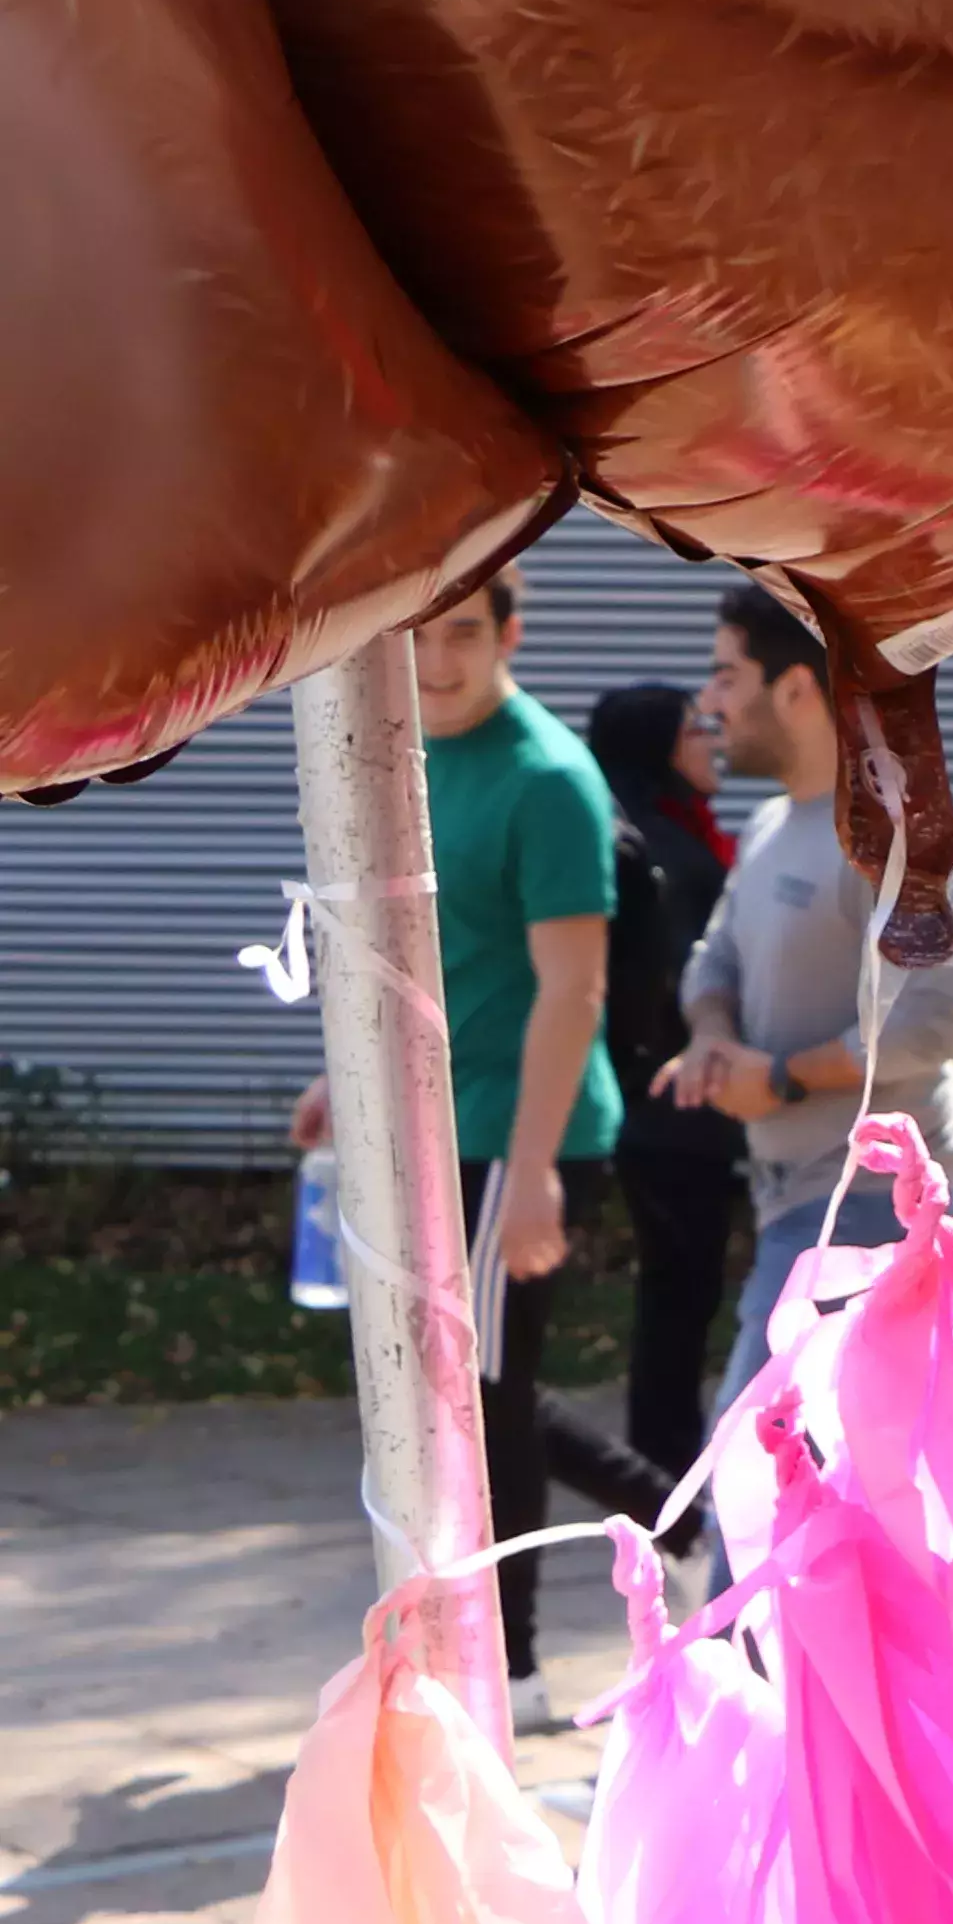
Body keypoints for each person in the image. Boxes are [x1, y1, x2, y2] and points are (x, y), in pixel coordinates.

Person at [292, 564, 625, 1725]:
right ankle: (672, 1527)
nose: (437, 665)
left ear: (511, 633)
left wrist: (534, 1171)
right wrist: (347, 1081)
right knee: (477, 1394)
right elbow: (428, 960)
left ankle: (516, 1664)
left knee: (478, 1398)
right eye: (421, 640)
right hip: (437, 1126)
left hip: (517, 1129)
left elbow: (571, 992)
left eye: (465, 637)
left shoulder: (549, 782)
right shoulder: (407, 756)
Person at [665, 588, 953, 1404]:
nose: (709, 702)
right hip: (798, 1212)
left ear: (799, 690)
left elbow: (948, 1014)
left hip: (882, 1217)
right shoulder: (773, 825)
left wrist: (780, 1077)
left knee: (762, 1508)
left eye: (727, 676)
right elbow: (714, 961)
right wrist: (710, 1036)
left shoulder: (896, 833)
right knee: (783, 1507)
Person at [585, 679, 748, 1488]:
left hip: (668, 1107)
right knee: (681, 1297)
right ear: (657, 750)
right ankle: (664, 1478)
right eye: (694, 730)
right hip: (675, 1108)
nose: (712, 740)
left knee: (679, 1294)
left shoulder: (661, 836)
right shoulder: (663, 855)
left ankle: (664, 1469)